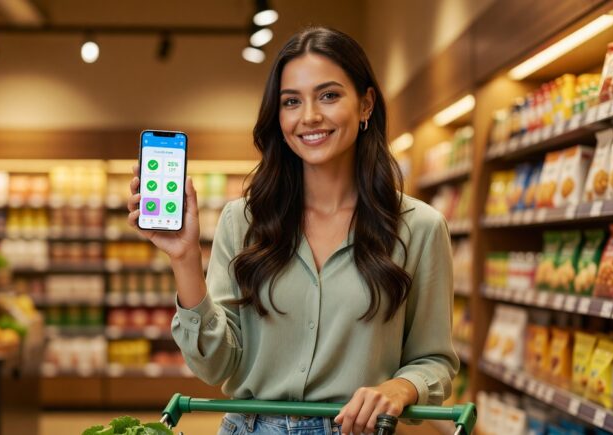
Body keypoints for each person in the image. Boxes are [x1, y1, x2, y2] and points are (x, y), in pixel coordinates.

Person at [127, 26, 458, 435]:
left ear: (366, 104)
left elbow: (434, 360)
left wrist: (401, 387)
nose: (309, 116)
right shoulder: (243, 220)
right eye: (291, 101)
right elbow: (215, 367)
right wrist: (184, 259)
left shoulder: (420, 227)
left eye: (329, 95)